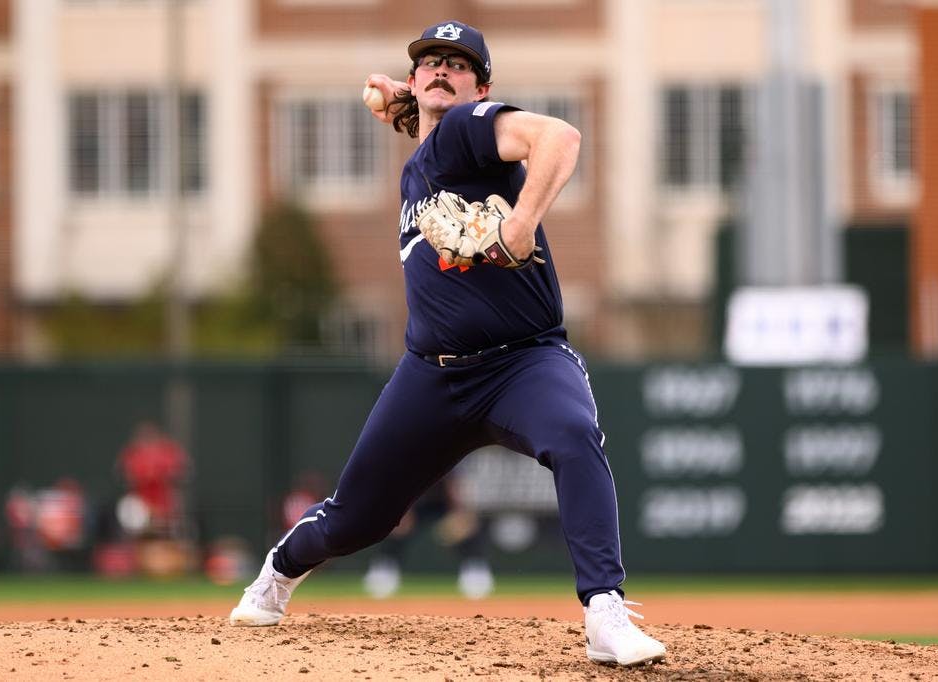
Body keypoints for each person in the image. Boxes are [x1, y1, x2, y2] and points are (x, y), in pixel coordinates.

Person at [230, 19, 666, 667]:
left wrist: (520, 223)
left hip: (523, 362)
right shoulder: (424, 162)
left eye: (457, 64)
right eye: (429, 61)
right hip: (429, 377)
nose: (441, 69)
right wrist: (415, 108)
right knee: (356, 519)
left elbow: (559, 137)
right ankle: (278, 573)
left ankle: (604, 611)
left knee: (573, 437)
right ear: (411, 81)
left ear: (481, 88)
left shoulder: (469, 129)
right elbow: (436, 133)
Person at [362, 472, 494, 600]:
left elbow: (455, 485)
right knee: (395, 525)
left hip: (445, 502)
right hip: (415, 501)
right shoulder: (408, 459)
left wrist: (459, 514)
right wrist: (401, 510)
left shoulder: (449, 459)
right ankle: (385, 570)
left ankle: (475, 570)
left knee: (465, 526)